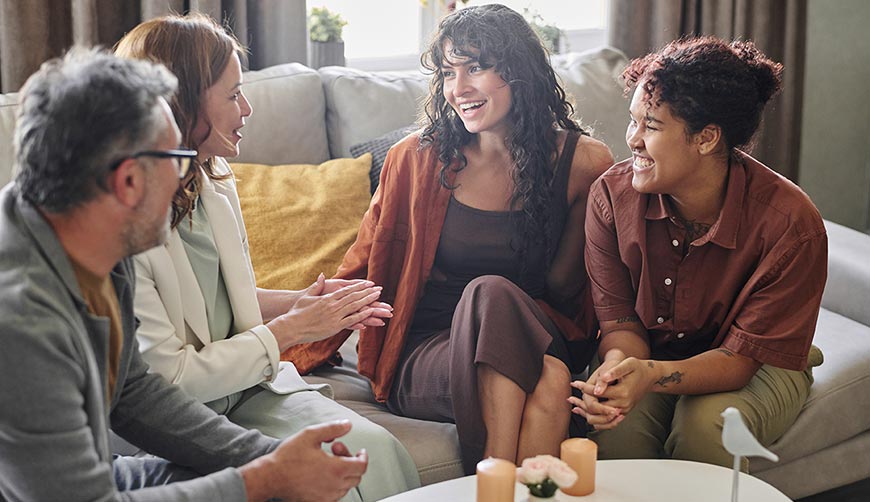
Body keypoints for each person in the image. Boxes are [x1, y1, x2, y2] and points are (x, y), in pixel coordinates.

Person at [0, 47, 367, 502]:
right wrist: (264, 479)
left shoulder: (93, 242)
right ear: (129, 181)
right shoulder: (20, 321)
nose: (186, 177)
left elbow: (131, 392)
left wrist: (273, 459)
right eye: (177, 158)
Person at [284, 4, 613, 473]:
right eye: (447, 73)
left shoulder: (583, 164)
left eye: (475, 67)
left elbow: (585, 290)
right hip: (427, 351)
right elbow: (362, 268)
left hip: (534, 334)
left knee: (536, 347)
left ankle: (492, 485)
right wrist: (288, 340)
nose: (458, 89)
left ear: (519, 70)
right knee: (539, 359)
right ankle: (495, 476)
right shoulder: (414, 161)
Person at [113, 13, 420, 501]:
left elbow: (224, 300)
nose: (247, 108)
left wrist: (305, 302)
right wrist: (293, 329)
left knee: (373, 450)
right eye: (233, 94)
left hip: (250, 390)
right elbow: (168, 383)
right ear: (183, 102)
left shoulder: (211, 177)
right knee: (329, 472)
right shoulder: (121, 222)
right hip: (184, 417)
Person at [570, 36, 827, 469]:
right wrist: (616, 372)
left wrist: (650, 375)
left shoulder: (790, 224)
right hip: (650, 351)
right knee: (616, 429)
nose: (632, 139)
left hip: (758, 360)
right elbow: (620, 321)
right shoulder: (610, 199)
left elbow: (739, 362)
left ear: (707, 138)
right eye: (633, 122)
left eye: (650, 126)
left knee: (706, 426)